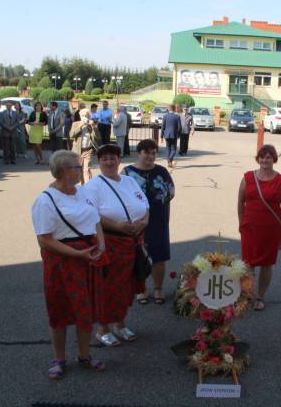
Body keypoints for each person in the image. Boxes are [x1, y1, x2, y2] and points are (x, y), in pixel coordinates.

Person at [30, 149, 107, 380]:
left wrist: (101, 244)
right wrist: (78, 254)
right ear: (64, 172)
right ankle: (59, 358)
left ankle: (84, 355)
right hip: (62, 262)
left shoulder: (82, 191)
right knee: (60, 310)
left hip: (88, 257)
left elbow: (96, 219)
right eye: (77, 166)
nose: (81, 169)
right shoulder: (45, 200)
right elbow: (44, 240)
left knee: (86, 309)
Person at [84, 144, 149, 346]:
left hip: (133, 241)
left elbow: (145, 205)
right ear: (99, 162)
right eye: (105, 159)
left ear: (119, 160)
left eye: (113, 158)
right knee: (108, 287)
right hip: (110, 242)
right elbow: (92, 215)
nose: (109, 162)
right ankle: (102, 328)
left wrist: (144, 221)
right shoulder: (93, 186)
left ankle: (120, 324)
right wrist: (117, 226)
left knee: (127, 286)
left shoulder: (129, 181)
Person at [122, 139, 174, 305]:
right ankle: (141, 288)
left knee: (159, 256)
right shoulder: (127, 172)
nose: (150, 156)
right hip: (135, 221)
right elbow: (121, 197)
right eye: (147, 153)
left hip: (158, 219)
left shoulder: (162, 171)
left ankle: (158, 288)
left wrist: (166, 218)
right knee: (138, 255)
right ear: (139, 153)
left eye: (153, 153)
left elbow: (170, 193)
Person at [237, 144, 281, 311]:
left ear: (274, 159)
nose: (265, 160)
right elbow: (240, 202)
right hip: (250, 227)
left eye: (269, 157)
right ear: (258, 158)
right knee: (248, 263)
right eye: (262, 156)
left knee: (266, 264)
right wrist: (241, 222)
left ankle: (260, 296)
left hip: (270, 229)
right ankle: (247, 294)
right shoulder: (248, 177)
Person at [69, 109, 101, 184]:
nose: (84, 117)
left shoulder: (91, 125)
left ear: (88, 116)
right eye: (82, 116)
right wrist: (80, 126)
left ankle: (88, 187)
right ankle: (80, 186)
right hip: (77, 151)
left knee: (86, 169)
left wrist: (93, 126)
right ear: (80, 116)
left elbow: (98, 137)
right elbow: (71, 135)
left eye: (86, 116)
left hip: (88, 150)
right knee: (79, 169)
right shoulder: (76, 124)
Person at [0, 100, 18, 165]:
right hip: (5, 132)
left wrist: (12, 127)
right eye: (7, 105)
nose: (9, 106)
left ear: (11, 106)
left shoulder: (15, 113)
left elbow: (17, 122)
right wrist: (8, 128)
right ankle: (6, 160)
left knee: (13, 147)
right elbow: (1, 122)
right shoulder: (2, 113)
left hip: (13, 132)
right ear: (6, 106)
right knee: (6, 147)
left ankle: (13, 160)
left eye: (10, 105)